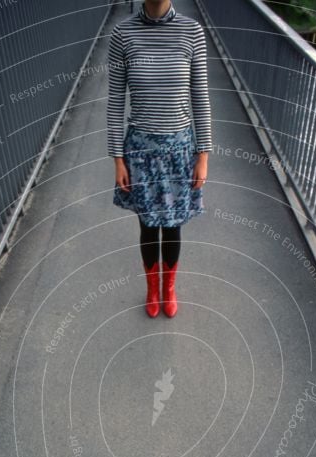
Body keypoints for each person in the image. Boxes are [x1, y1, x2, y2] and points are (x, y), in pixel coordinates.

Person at [107, 0, 212, 318]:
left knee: (174, 225)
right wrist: (117, 159)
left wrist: (203, 155)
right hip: (140, 150)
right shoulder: (123, 34)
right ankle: (152, 288)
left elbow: (200, 97)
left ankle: (169, 288)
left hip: (180, 149)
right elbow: (114, 101)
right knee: (148, 226)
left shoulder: (192, 32)